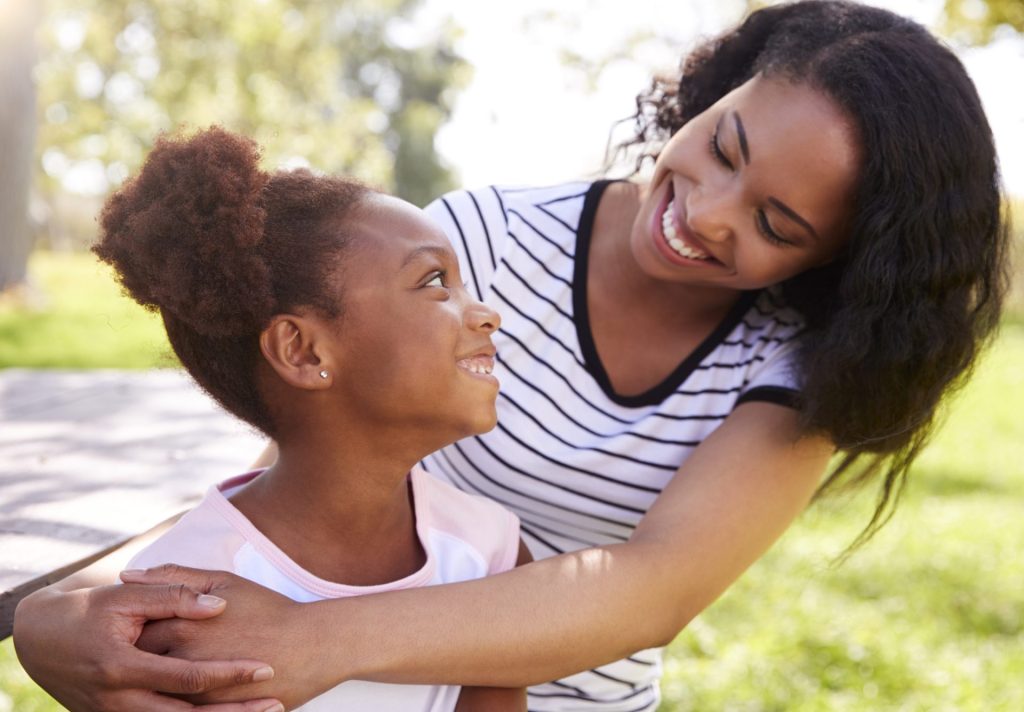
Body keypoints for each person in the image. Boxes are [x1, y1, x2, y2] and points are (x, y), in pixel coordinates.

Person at [12, 2, 1009, 711]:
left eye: (776, 223)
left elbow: (648, 589)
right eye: (725, 146)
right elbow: (293, 449)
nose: (701, 214)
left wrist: (311, 643)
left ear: (841, 260)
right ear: (716, 90)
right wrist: (53, 618)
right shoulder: (476, 242)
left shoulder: (797, 368)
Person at [68, 125, 530, 711]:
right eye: (436, 281)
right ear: (303, 352)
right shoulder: (176, 596)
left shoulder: (490, 548)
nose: (486, 314)